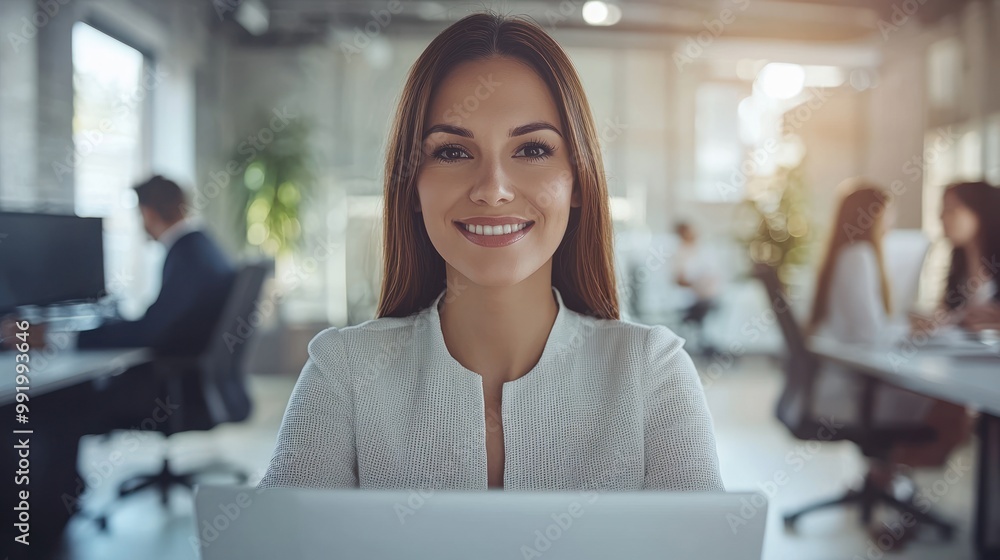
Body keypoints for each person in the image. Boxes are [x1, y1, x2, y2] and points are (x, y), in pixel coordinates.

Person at [258, 12, 723, 492]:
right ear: (413, 188)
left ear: (578, 182)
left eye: (533, 150)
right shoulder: (344, 374)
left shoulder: (652, 374)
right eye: (453, 152)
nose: (493, 189)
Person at [0, 176, 235, 558]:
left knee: (54, 404)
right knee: (59, 398)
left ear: (146, 213)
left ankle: (38, 528)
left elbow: (152, 331)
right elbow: (159, 323)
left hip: (169, 390)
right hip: (187, 384)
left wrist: (59, 339)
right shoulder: (201, 248)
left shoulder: (189, 254)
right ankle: (55, 506)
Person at [807, 180, 973, 534]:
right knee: (953, 410)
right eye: (887, 214)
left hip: (841, 384)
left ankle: (884, 477)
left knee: (943, 405)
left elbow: (864, 326)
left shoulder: (846, 255)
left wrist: (904, 325)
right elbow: (866, 334)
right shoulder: (860, 256)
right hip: (850, 392)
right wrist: (911, 331)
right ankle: (888, 478)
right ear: (870, 217)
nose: (891, 223)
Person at [911, 181, 1000, 333]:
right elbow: (953, 315)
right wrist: (938, 322)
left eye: (951, 209)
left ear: (979, 213)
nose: (941, 217)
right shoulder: (959, 267)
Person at [672, 221, 722, 357]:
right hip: (692, 298)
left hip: (708, 295)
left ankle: (707, 345)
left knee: (711, 307)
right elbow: (678, 279)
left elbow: (713, 273)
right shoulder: (680, 253)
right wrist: (695, 284)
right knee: (701, 313)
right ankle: (704, 346)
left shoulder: (704, 250)